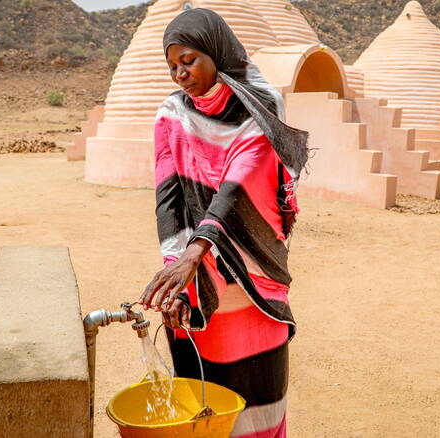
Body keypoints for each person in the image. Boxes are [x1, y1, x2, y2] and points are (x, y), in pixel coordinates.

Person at [138, 8, 309, 438]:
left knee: (258, 395)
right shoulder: (171, 114)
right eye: (173, 65)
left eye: (189, 60)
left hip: (252, 273)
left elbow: (238, 186)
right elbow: (168, 195)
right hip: (197, 277)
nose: (180, 74)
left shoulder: (260, 105)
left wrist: (195, 254)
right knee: (202, 397)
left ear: (215, 51)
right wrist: (178, 264)